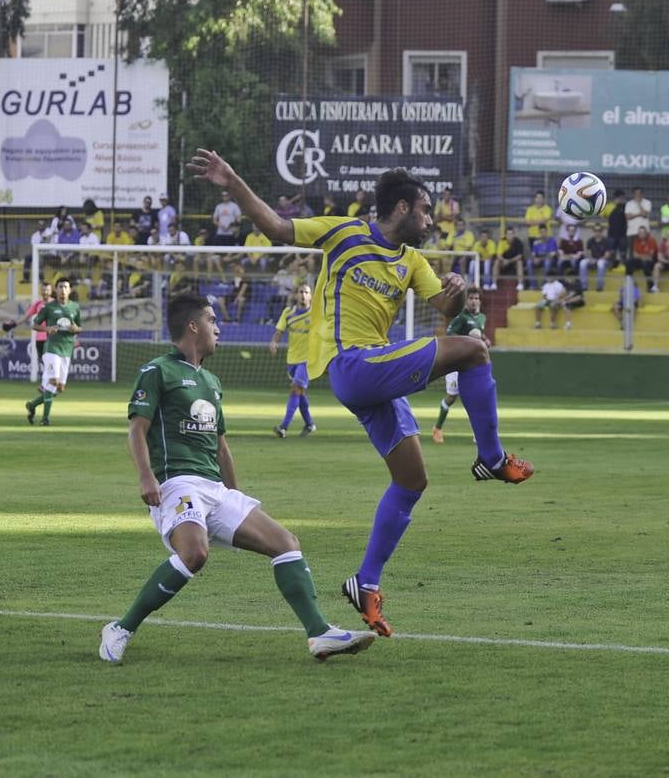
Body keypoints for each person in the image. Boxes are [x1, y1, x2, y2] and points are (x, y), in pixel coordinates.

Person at [188, 148, 534, 638]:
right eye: (425, 210)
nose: (431, 220)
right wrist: (232, 179)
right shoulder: (345, 232)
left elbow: (445, 306)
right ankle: (492, 458)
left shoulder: (412, 261)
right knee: (475, 351)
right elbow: (277, 229)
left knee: (412, 480)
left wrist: (455, 291)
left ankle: (364, 583)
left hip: (375, 373)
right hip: (352, 364)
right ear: (400, 209)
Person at [100, 292, 376, 665]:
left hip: (214, 488)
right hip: (176, 483)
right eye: (212, 321)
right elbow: (137, 430)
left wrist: (234, 495)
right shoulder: (157, 371)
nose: (219, 328)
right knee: (194, 554)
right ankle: (121, 628)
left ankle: (319, 634)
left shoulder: (212, 381)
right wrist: (146, 478)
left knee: (285, 542)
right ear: (193, 326)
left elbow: (221, 446)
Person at [432, 287, 488, 444]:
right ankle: (437, 428)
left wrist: (485, 340)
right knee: (451, 398)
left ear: (480, 301)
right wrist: (467, 339)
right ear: (466, 300)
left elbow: (480, 335)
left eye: (477, 298)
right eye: (471, 298)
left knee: (474, 397)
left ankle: (479, 434)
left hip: (471, 365)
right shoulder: (461, 317)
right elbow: (450, 335)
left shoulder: (482, 317)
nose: (474, 301)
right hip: (455, 363)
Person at [25, 277, 82, 426]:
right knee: (53, 381)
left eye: (66, 287)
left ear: (70, 290)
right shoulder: (49, 308)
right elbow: (35, 325)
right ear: (55, 290)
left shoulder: (75, 307)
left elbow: (80, 327)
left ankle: (32, 405)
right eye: (60, 287)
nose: (63, 290)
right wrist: (48, 329)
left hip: (66, 349)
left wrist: (76, 329)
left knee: (60, 388)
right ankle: (45, 419)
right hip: (51, 349)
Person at [269, 283, 317, 439]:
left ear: (311, 296)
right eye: (301, 292)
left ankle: (283, 427)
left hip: (308, 359)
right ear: (296, 295)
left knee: (295, 388)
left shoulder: (316, 314)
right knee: (300, 393)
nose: (303, 295)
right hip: (292, 359)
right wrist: (274, 341)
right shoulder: (288, 313)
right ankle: (310, 424)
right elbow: (279, 331)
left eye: (306, 292)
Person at [626, 226, 658, 291]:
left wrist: (640, 256)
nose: (641, 234)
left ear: (646, 233)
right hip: (641, 261)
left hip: (651, 261)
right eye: (640, 232)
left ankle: (650, 286)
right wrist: (643, 256)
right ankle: (629, 283)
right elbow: (635, 255)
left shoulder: (651, 240)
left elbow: (650, 256)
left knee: (645, 264)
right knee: (628, 262)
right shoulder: (636, 240)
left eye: (643, 232)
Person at [580, 225, 610, 291]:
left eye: (599, 231)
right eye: (596, 231)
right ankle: (584, 286)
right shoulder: (590, 241)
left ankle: (599, 286)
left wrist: (598, 260)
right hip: (592, 259)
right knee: (582, 263)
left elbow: (607, 255)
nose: (597, 232)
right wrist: (591, 259)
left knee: (600, 263)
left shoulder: (606, 241)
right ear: (593, 231)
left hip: (603, 260)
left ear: (602, 232)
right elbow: (588, 252)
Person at [606, 188, 628, 264]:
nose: (621, 199)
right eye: (620, 197)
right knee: (611, 252)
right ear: (615, 197)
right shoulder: (609, 206)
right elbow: (602, 215)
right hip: (611, 234)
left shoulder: (626, 207)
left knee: (623, 253)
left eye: (623, 198)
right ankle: (611, 267)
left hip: (623, 234)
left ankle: (623, 267)